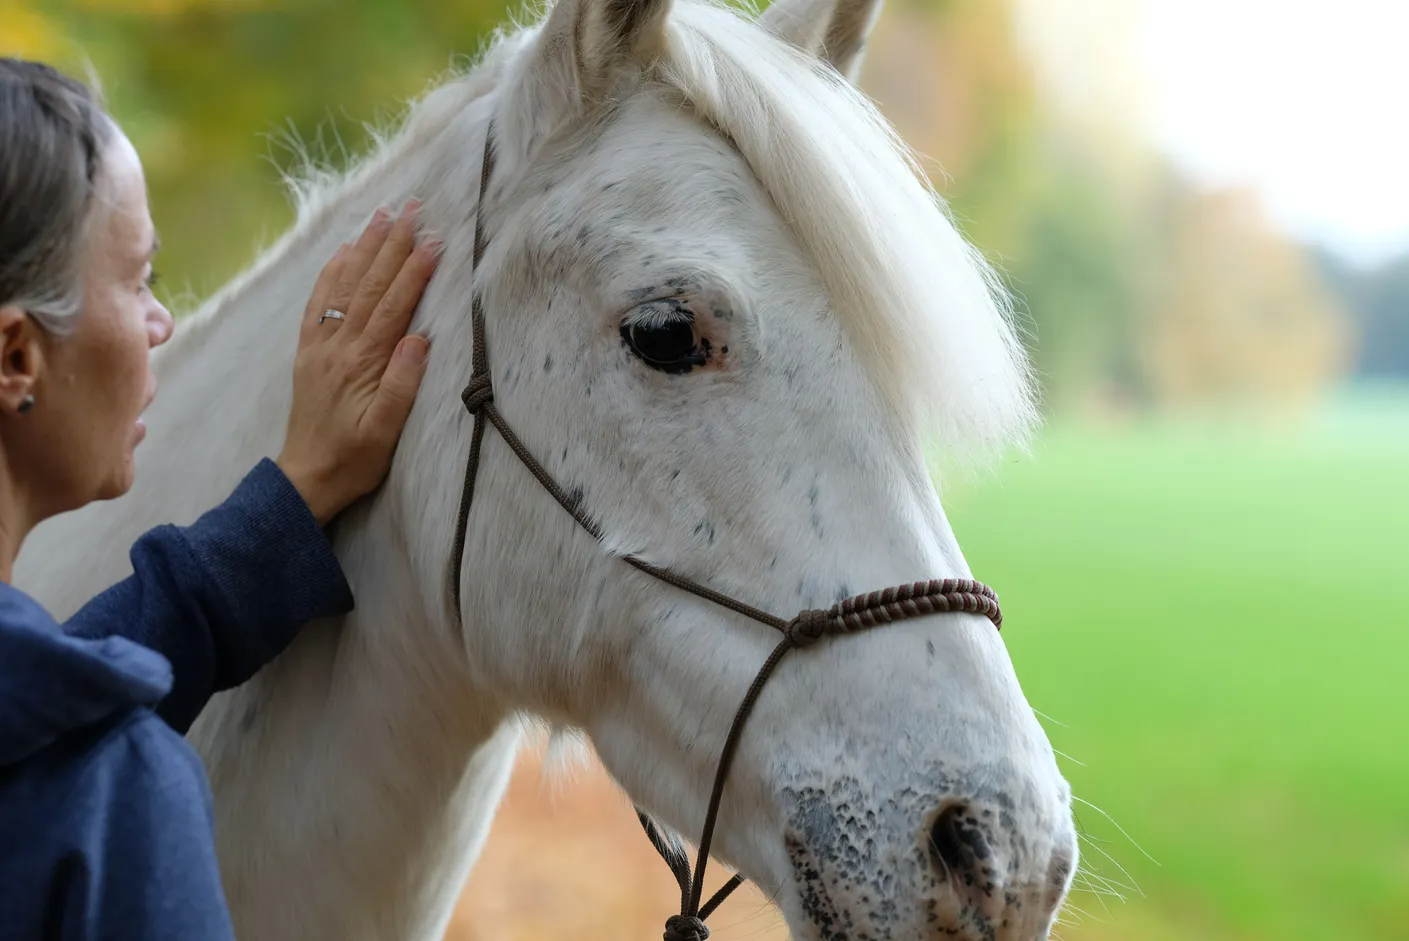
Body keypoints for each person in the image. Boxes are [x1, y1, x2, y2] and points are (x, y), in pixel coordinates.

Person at [0, 58, 441, 939]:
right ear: (16, 358)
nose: (160, 323)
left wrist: (291, 499)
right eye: (138, 280)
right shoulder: (116, 801)